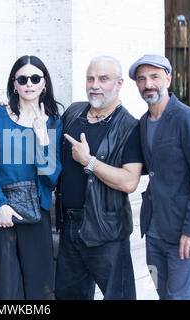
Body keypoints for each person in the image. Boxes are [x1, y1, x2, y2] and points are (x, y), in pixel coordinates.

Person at [0, 55, 63, 299]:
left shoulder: (54, 122)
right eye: (23, 79)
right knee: (4, 289)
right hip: (0, 213)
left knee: (39, 288)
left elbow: (52, 177)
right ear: (14, 84)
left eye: (35, 78)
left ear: (44, 83)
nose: (29, 84)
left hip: (37, 214)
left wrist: (43, 140)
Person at [54, 56, 143, 300]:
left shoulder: (130, 127)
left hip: (106, 231)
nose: (95, 85)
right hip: (69, 227)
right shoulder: (73, 113)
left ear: (119, 83)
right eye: (90, 78)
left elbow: (129, 182)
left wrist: (89, 161)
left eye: (103, 79)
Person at [129, 54, 190, 300]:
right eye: (142, 79)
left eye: (154, 76)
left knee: (179, 296)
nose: (148, 84)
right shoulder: (144, 122)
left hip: (183, 233)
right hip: (154, 233)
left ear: (168, 77)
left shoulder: (186, 118)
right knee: (162, 293)